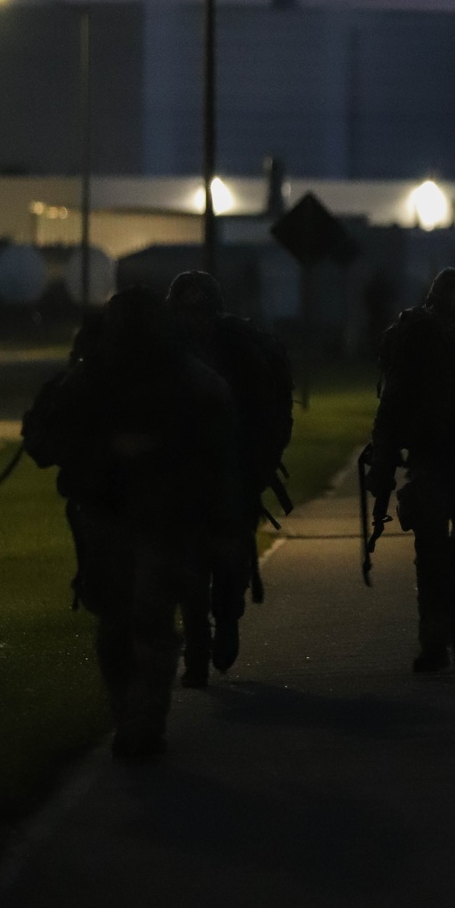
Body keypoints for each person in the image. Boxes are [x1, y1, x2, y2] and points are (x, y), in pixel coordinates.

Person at [21, 288, 244, 759]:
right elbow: (222, 451)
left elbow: (44, 441)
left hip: (131, 520)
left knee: (132, 625)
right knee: (137, 625)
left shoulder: (97, 376)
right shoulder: (180, 378)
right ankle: (138, 717)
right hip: (136, 519)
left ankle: (137, 718)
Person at [366, 268, 455, 675]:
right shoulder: (415, 340)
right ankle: (436, 638)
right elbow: (391, 410)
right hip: (432, 460)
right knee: (433, 554)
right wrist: (384, 468)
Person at [166, 271, 294, 687]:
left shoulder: (238, 354)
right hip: (180, 479)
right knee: (185, 567)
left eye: (201, 310)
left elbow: (265, 414)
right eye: (186, 311)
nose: (194, 319)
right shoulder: (163, 354)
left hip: (229, 475)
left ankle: (226, 622)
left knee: (228, 561)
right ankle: (198, 652)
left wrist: (255, 465)